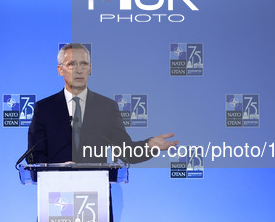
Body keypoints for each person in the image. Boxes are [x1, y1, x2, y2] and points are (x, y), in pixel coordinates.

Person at [27, 43, 178, 165]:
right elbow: (34, 155)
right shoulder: (45, 108)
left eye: (84, 64)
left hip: (96, 192)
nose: (79, 70)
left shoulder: (107, 107)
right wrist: (59, 168)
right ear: (60, 70)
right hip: (56, 193)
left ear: (90, 69)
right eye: (72, 64)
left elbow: (126, 152)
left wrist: (150, 145)